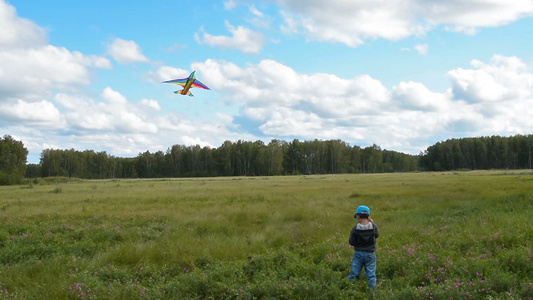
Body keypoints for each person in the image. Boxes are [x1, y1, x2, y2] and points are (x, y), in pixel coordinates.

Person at [348, 205, 379, 289]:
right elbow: (376, 235)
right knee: (371, 275)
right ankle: (373, 293)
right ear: (368, 216)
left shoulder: (355, 228)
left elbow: (351, 242)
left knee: (354, 273)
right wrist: (372, 222)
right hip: (370, 254)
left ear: (357, 216)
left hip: (358, 254)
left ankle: (350, 289)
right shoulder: (373, 226)